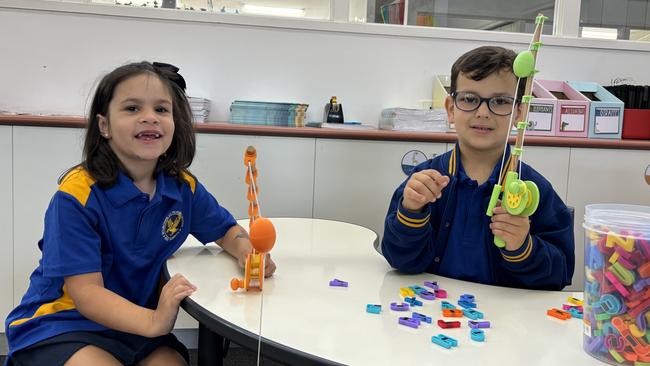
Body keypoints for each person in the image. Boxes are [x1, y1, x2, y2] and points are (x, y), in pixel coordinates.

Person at [4, 61, 276, 366]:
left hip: (139, 327)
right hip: (66, 324)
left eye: (162, 110)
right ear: (104, 125)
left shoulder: (182, 188)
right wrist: (154, 322)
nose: (150, 118)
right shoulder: (76, 196)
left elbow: (226, 230)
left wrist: (246, 252)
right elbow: (87, 295)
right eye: (132, 108)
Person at [381, 46, 574, 290]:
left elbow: (561, 273)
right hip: (430, 314)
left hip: (506, 322)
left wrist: (523, 247)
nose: (483, 113)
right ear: (451, 109)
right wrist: (411, 212)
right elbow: (399, 260)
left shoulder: (536, 191)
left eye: (501, 101)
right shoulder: (423, 182)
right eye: (470, 99)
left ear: (519, 113)